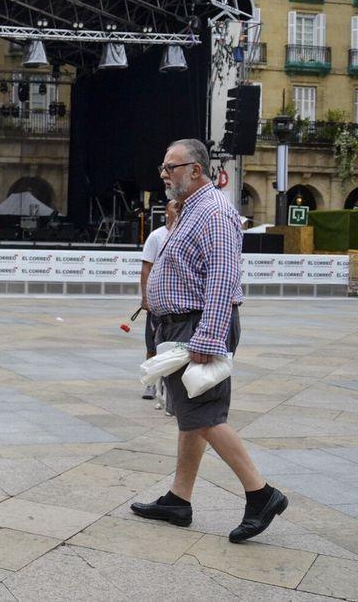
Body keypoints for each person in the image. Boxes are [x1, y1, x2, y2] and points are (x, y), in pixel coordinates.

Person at [132, 139, 287, 544]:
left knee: (205, 414)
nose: (164, 173)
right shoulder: (190, 211)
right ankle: (178, 500)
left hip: (198, 326)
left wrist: (210, 336)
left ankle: (261, 493)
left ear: (195, 170)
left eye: (171, 166)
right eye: (163, 166)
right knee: (191, 413)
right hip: (182, 326)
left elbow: (222, 276)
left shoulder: (215, 212)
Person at [139, 199, 180, 402]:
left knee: (172, 347)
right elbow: (146, 268)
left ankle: (168, 387)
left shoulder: (185, 234)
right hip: (157, 303)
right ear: (166, 212)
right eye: (175, 206)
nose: (178, 210)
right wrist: (145, 297)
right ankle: (149, 383)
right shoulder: (156, 236)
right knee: (152, 345)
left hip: (177, 303)